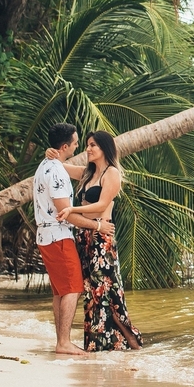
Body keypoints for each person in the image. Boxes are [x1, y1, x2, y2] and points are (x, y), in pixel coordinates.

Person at [51, 130, 143, 351]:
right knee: (92, 294)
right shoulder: (87, 173)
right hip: (84, 238)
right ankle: (97, 345)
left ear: (105, 148)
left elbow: (102, 205)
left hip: (102, 239)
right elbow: (59, 166)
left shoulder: (112, 173)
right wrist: (51, 155)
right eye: (86, 145)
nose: (88, 149)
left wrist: (73, 209)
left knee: (108, 294)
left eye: (93, 145)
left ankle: (135, 346)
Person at [33, 122, 112, 355]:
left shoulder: (47, 165)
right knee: (72, 289)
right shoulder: (55, 171)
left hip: (47, 235)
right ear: (65, 145)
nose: (80, 147)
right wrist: (97, 225)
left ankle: (61, 341)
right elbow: (65, 213)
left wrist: (53, 156)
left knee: (60, 290)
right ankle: (63, 342)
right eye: (77, 143)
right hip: (57, 236)